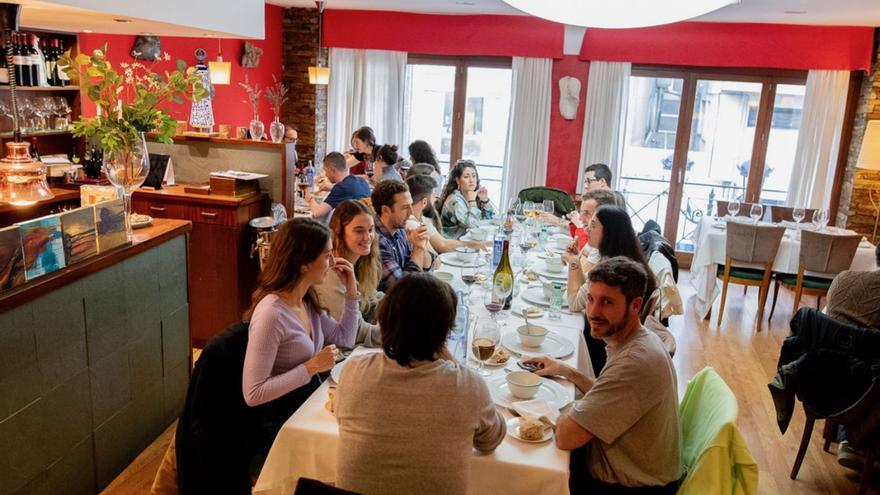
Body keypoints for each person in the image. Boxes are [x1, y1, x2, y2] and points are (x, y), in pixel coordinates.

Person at [335, 273, 506, 495]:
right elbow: (491, 440)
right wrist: (446, 354)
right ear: (446, 331)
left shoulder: (353, 371)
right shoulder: (467, 386)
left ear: (385, 321)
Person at [524, 257, 681, 494]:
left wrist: (544, 409)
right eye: (590, 299)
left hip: (628, 485)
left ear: (635, 305)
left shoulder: (633, 363)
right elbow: (609, 392)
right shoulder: (637, 338)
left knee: (528, 460)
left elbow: (566, 436)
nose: (593, 312)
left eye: (607, 302)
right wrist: (565, 370)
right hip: (636, 469)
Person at [242, 218, 359, 450]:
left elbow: (346, 338)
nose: (333, 262)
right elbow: (253, 393)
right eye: (327, 255)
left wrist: (351, 292)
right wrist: (310, 367)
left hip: (305, 403)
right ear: (304, 264)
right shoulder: (271, 315)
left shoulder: (306, 300)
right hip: (281, 421)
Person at [567, 205, 658, 377]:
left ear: (609, 232)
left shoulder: (613, 270)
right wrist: (577, 261)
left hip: (602, 346)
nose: (586, 228)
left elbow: (574, 303)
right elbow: (583, 292)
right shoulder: (626, 259)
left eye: (593, 225)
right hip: (613, 339)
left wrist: (572, 261)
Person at [827, 244, 880, 470]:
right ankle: (856, 442)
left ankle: (845, 434)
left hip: (818, 377)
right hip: (863, 391)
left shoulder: (842, 279)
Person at [315, 200, 383, 346]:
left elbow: (372, 299)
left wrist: (402, 305)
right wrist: (399, 335)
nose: (367, 237)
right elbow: (357, 332)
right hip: (335, 353)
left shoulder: (362, 261)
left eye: (370, 230)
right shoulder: (331, 270)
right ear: (339, 234)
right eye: (359, 231)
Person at [372, 180, 434, 291]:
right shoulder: (375, 240)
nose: (411, 212)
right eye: (405, 207)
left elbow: (429, 265)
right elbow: (403, 289)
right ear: (385, 210)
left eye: (411, 205)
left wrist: (421, 245)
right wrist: (418, 249)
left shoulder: (399, 229)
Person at [406, 174, 488, 254]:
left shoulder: (422, 218)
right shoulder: (412, 224)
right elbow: (442, 245)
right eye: (433, 195)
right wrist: (478, 245)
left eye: (474, 176)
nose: (435, 199)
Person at [562, 189, 619, 275]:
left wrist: (573, 261)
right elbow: (582, 263)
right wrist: (576, 256)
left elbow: (579, 281)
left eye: (587, 213)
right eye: (581, 212)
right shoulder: (595, 237)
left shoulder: (604, 246)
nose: (580, 218)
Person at [438, 159, 496, 239]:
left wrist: (485, 200)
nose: (471, 180)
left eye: (473, 176)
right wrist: (472, 202)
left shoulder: (472, 194)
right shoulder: (454, 200)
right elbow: (474, 226)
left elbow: (490, 221)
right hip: (452, 245)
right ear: (458, 180)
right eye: (466, 177)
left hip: (466, 242)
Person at [305, 152, 371, 220]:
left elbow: (317, 213)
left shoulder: (341, 188)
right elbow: (349, 191)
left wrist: (310, 199)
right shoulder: (362, 181)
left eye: (326, 171)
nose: (326, 175)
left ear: (332, 170)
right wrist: (331, 187)